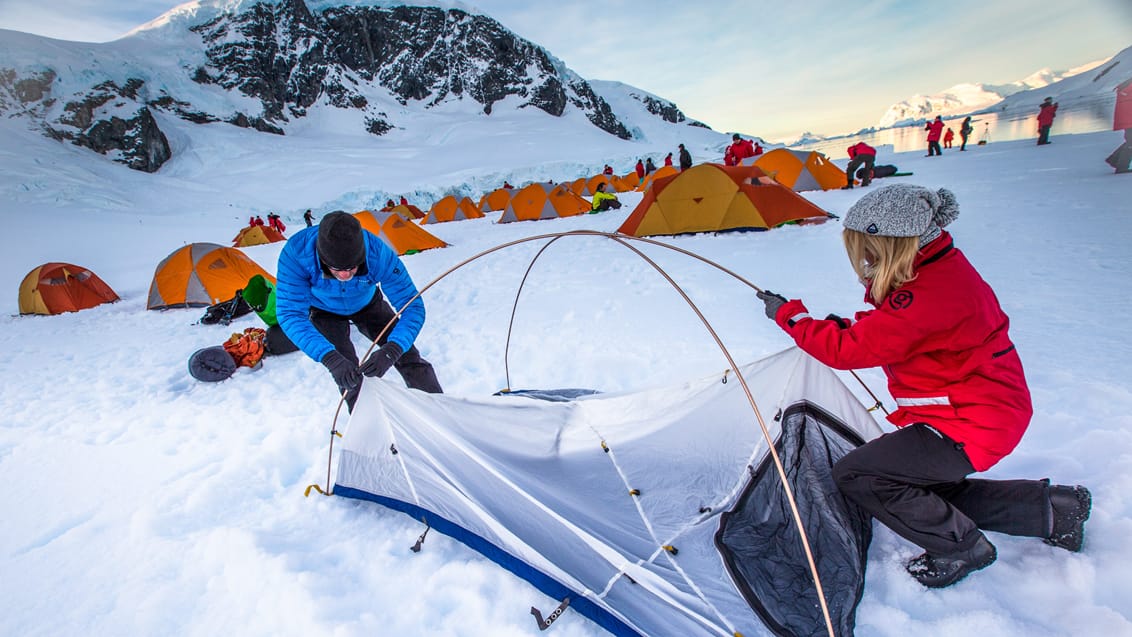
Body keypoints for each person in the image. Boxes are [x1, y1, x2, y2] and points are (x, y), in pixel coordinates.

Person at [755, 184, 1091, 589]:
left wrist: (792, 318)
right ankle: (1053, 511)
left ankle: (960, 547)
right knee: (927, 487)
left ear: (891, 242)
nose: (863, 258)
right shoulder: (936, 266)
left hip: (970, 421)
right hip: (984, 410)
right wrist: (845, 325)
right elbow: (895, 330)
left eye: (867, 247)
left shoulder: (931, 294)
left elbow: (848, 350)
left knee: (860, 475)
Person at [275, 211, 443, 411]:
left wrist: (393, 349)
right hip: (324, 310)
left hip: (367, 303)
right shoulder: (297, 254)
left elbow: (412, 305)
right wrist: (330, 358)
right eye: (336, 269)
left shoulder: (378, 254)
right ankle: (369, 429)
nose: (345, 274)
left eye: (352, 268)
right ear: (321, 258)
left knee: (408, 356)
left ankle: (439, 410)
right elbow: (290, 314)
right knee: (348, 376)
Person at [1105, 78, 1132, 174]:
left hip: (1127, 118)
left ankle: (1114, 160)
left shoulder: (1127, 87)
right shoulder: (1129, 88)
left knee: (1130, 141)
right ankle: (1121, 166)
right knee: (1130, 142)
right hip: (1129, 119)